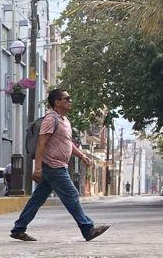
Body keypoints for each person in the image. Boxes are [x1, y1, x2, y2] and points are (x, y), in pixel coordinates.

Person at [10, 88, 109, 243]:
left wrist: (82, 156)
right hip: (53, 166)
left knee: (37, 199)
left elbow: (68, 144)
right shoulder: (51, 119)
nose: (70, 101)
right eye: (66, 98)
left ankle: (18, 229)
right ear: (57, 102)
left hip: (58, 165)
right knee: (72, 195)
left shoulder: (65, 121)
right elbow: (42, 143)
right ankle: (87, 228)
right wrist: (38, 167)